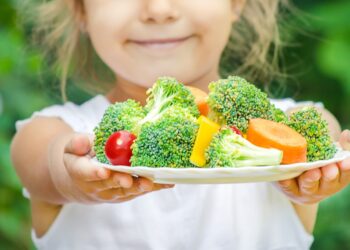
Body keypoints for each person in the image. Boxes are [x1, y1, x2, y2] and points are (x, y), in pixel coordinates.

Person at [10, 0, 350, 249]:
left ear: (236, 3)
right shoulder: (57, 131)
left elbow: (319, 127)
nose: (158, 9)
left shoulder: (274, 133)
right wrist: (74, 179)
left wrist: (317, 167)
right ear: (80, 9)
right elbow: (47, 162)